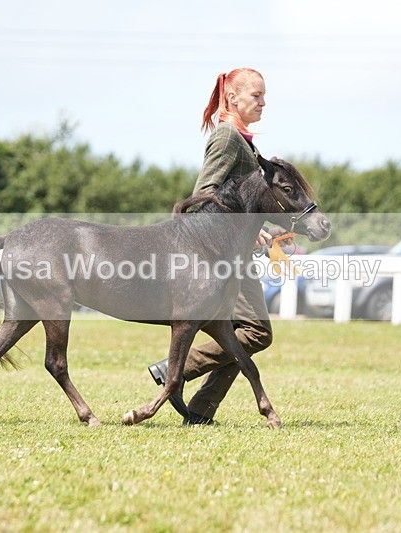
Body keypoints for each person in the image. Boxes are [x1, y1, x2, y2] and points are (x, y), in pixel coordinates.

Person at [147, 67, 279, 425]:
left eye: (265, 96)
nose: (264, 102)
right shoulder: (227, 138)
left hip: (233, 254)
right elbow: (204, 195)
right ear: (233, 98)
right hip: (220, 257)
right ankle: (175, 370)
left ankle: (201, 412)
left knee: (240, 335)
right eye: (257, 95)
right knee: (255, 332)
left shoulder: (242, 139)